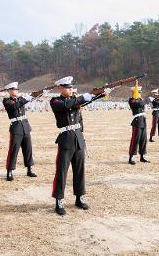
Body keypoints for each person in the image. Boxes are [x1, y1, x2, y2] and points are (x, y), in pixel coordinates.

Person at [50, 76, 109, 215]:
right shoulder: (55, 101)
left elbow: (88, 100)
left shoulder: (76, 100)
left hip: (78, 138)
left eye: (71, 87)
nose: (70, 90)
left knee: (79, 170)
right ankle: (59, 200)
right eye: (67, 87)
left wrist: (102, 93)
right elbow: (67, 105)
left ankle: (79, 198)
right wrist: (86, 96)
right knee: (62, 172)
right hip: (65, 140)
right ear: (60, 88)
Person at [3, 82, 37, 181]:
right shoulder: (7, 101)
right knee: (14, 150)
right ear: (9, 91)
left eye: (17, 90)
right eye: (14, 90)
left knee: (28, 149)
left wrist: (41, 93)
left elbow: (32, 98)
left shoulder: (21, 99)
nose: (16, 91)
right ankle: (9, 171)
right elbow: (14, 106)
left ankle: (29, 168)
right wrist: (26, 98)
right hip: (16, 127)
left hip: (25, 126)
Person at [128, 84, 150, 165]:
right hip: (137, 121)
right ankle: (131, 157)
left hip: (143, 120)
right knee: (135, 140)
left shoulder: (140, 100)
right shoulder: (132, 100)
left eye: (140, 92)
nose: (139, 93)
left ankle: (142, 156)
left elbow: (146, 102)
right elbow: (140, 104)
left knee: (143, 139)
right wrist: (144, 100)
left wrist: (144, 100)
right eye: (138, 92)